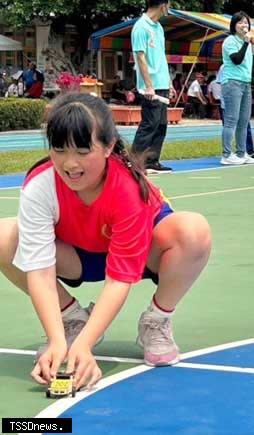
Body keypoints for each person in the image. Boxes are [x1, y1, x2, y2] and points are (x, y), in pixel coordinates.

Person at [0, 93, 211, 390]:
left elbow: (118, 280)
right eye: (58, 149)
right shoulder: (40, 185)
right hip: (78, 255)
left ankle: (157, 319)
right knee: (4, 236)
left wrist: (83, 347)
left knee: (193, 230)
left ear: (109, 146)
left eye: (83, 150)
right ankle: (73, 319)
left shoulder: (126, 188)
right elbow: (40, 272)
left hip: (143, 254)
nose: (69, 163)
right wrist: (59, 339)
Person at [131, 0, 175, 174]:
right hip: (150, 86)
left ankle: (151, 161)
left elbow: (160, 57)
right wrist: (149, 86)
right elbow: (141, 58)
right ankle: (134, 163)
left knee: (161, 124)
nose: (169, 8)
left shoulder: (159, 28)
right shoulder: (141, 27)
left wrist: (169, 83)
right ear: (163, 5)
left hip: (162, 83)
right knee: (149, 124)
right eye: (169, 4)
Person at [220, 12, 254, 165]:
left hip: (245, 83)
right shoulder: (230, 41)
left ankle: (242, 153)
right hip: (232, 83)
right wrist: (246, 43)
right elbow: (236, 60)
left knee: (244, 120)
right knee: (231, 120)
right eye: (240, 23)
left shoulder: (248, 43)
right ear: (234, 26)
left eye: (246, 22)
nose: (244, 25)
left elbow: (251, 64)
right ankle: (226, 154)